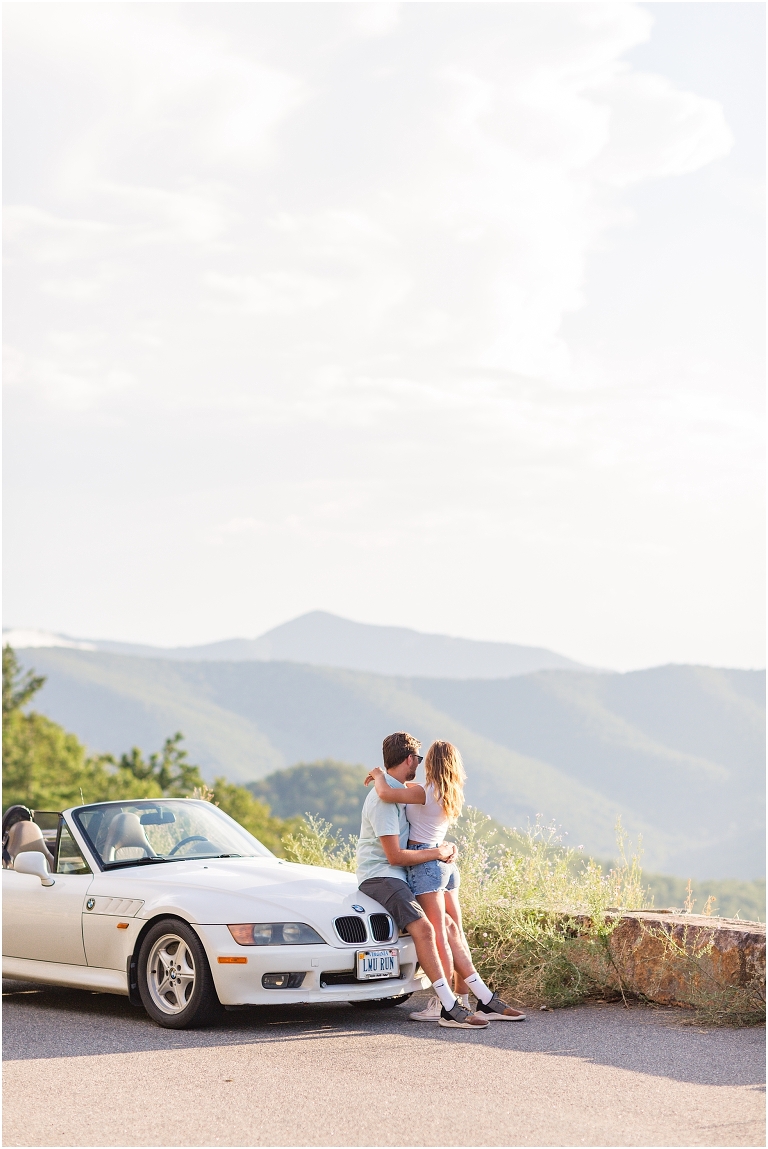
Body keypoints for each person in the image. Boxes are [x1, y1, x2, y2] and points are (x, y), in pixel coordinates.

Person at [366, 739, 525, 1023]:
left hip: (427, 863)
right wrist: (446, 849)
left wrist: (378, 775)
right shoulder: (451, 791)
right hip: (446, 864)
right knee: (455, 930)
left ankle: (446, 1004)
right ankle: (471, 999)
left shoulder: (423, 792)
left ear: (430, 763)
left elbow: (386, 793)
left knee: (438, 933)